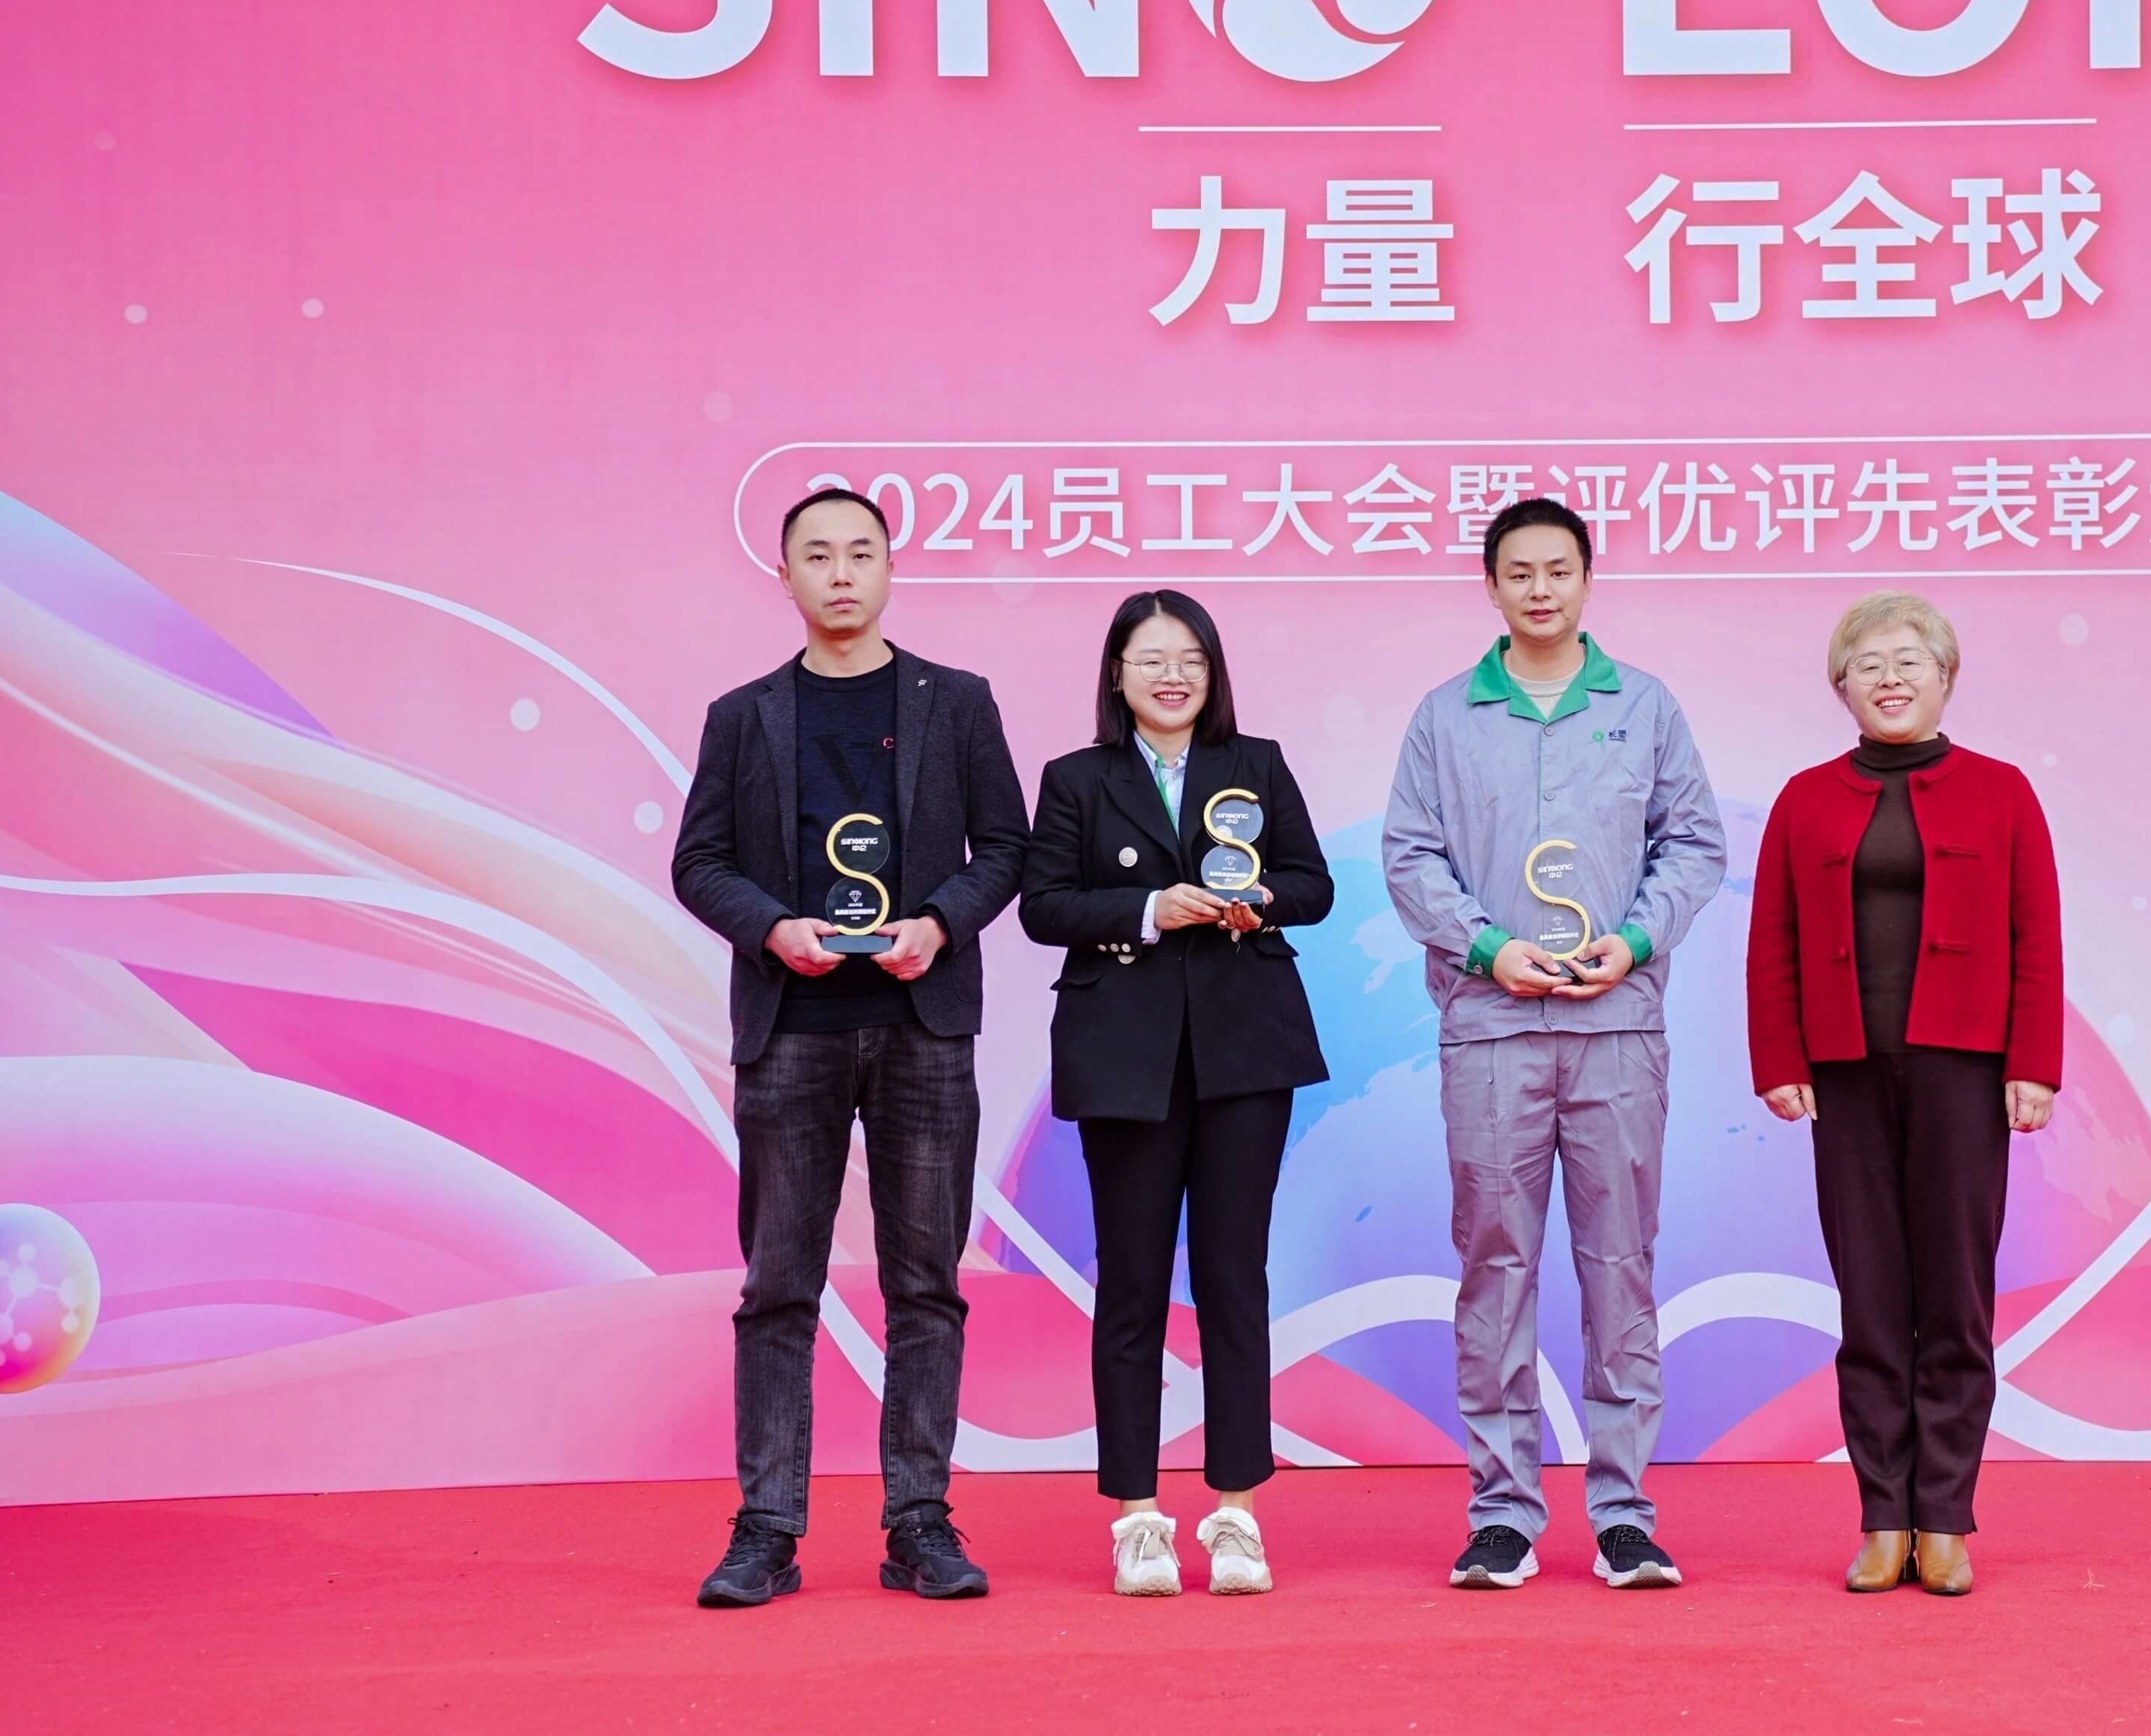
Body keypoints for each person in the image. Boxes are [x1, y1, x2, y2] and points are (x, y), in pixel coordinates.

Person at [671, 485, 1028, 1608]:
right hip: (792, 1028)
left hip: (924, 1026)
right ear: (784, 576)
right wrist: (772, 927)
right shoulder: (744, 716)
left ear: (889, 569)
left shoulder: (956, 702)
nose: (840, 573)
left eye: (860, 553)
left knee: (927, 1285)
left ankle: (919, 1521)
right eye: (818, 555)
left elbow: (1006, 846)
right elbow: (699, 862)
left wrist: (942, 923)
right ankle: (766, 1528)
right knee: (779, 1285)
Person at [1382, 497, 1727, 1591]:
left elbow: (1694, 843)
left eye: (1559, 570)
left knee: (1620, 1266)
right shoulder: (1445, 716)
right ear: (1491, 586)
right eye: (1520, 572)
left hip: (1615, 1026)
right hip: (1492, 1029)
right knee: (1496, 1265)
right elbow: (1410, 856)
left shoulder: (1646, 706)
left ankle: (1625, 1514)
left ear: (1587, 579)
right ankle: (1502, 1515)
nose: (1540, 589)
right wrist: (1488, 948)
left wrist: (1636, 940)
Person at [1744, 592, 2062, 1597]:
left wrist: (2033, 1062)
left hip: (1965, 1070)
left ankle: (1947, 1518)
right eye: (1868, 664)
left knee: (1956, 1300)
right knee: (1872, 1298)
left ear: (1945, 677)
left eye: (1908, 661)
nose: (1889, 678)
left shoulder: (2003, 792)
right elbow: (1773, 939)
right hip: (1844, 1072)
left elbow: (2036, 935)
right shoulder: (1805, 798)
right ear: (1841, 686)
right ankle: (1884, 1515)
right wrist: (1780, 1058)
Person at [1021, 591, 1334, 1597]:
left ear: (1214, 672)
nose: (1172, 675)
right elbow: (1043, 906)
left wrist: (1259, 902)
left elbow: (1313, 884)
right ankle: (1137, 1518)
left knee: (1235, 1278)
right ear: (1117, 673)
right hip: (1126, 1056)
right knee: (1133, 1285)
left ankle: (1237, 1513)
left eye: (1190, 658)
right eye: (1151, 658)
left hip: (1245, 1049)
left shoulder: (1258, 764)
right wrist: (1152, 907)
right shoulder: (1077, 779)